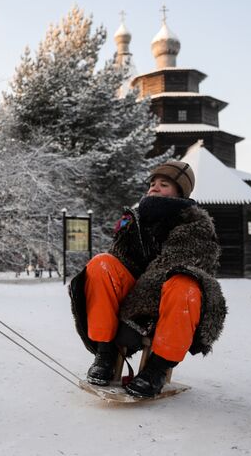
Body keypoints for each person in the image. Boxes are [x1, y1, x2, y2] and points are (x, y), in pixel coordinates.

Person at [69, 160, 227, 398]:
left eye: (164, 184)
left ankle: (157, 368)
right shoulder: (135, 220)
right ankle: (105, 353)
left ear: (180, 193)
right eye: (152, 183)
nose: (154, 188)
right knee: (102, 264)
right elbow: (120, 260)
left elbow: (181, 264)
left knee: (184, 282)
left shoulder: (196, 225)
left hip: (169, 296)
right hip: (132, 292)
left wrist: (136, 301)